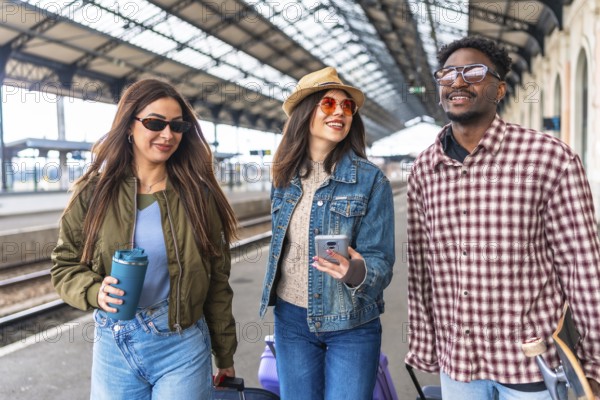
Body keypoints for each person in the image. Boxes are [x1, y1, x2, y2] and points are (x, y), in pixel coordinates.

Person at [405, 36, 600, 399]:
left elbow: (583, 269)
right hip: (458, 365)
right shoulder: (423, 170)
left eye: (474, 72)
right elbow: (421, 269)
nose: (458, 82)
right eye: (447, 74)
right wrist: (425, 346)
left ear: (499, 90)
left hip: (530, 364)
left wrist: (594, 364)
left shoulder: (549, 159)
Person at [51, 78, 238, 399]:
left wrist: (225, 354)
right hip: (115, 344)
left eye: (177, 126)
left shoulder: (198, 196)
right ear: (128, 126)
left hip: (181, 343)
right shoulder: (93, 193)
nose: (168, 135)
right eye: (155, 123)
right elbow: (64, 268)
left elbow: (217, 281)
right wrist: (96, 291)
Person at [259, 66, 395, 399]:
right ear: (306, 113)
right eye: (329, 104)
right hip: (292, 323)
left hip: (351, 323)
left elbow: (381, 260)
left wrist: (354, 271)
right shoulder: (283, 178)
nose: (340, 113)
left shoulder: (371, 180)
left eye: (347, 107)